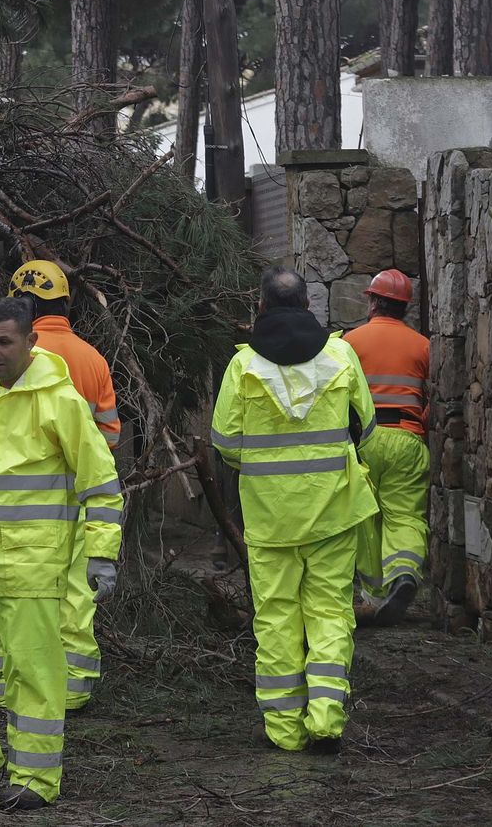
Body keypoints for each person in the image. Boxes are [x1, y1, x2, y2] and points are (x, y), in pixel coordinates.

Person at [0, 297, 123, 811]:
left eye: (4, 342)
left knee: (32, 671)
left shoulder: (61, 402)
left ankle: (34, 777)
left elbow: (100, 485)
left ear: (30, 342)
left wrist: (101, 554)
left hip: (30, 564)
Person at [211, 268, 379, 753]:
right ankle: (326, 721)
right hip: (332, 512)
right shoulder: (341, 354)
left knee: (277, 618)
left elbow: (225, 443)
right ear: (309, 304)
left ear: (260, 308)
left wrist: (267, 465)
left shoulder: (243, 367)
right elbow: (365, 431)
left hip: (269, 518)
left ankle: (284, 731)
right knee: (328, 612)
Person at [6, 260, 121, 710]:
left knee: (13, 594)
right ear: (66, 303)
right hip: (77, 498)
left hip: (20, 503)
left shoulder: (17, 354)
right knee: (76, 594)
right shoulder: (92, 357)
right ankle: (74, 690)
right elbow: (110, 435)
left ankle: (8, 688)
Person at [343, 269, 430, 624]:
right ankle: (404, 574)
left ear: (375, 301)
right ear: (404, 308)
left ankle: (375, 595)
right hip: (408, 437)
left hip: (366, 438)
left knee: (366, 517)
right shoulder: (423, 345)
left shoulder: (350, 342)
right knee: (405, 515)